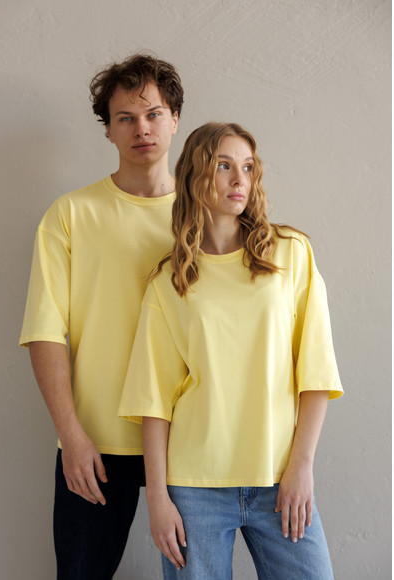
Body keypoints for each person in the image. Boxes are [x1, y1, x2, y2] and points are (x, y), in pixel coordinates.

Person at [118, 122, 343, 580]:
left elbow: (316, 372)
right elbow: (154, 402)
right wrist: (157, 499)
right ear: (195, 176)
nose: (239, 179)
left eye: (247, 167)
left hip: (279, 478)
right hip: (194, 488)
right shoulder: (170, 282)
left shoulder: (290, 254)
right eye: (223, 166)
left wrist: (302, 466)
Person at [19, 53, 184, 579]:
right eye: (125, 118)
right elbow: (45, 332)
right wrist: (71, 434)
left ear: (174, 119)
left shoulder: (205, 218)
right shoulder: (70, 215)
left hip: (189, 440)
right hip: (95, 442)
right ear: (108, 130)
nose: (142, 129)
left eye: (153, 114)